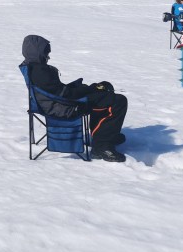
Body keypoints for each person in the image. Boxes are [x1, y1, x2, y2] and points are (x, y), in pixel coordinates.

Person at [20, 34, 128, 162]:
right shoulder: (39, 72)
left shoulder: (34, 67)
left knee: (104, 94)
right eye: (45, 52)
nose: (47, 55)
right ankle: (102, 146)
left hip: (56, 103)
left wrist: (85, 88)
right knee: (118, 101)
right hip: (64, 108)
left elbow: (57, 91)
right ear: (37, 52)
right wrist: (89, 89)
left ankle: (104, 136)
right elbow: (64, 94)